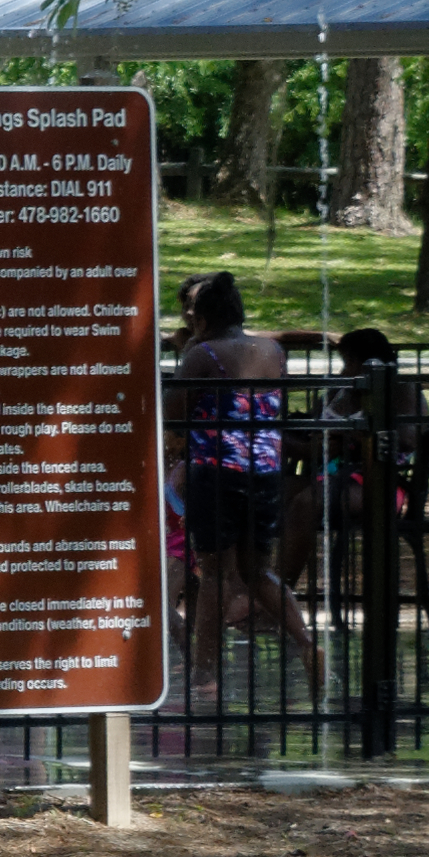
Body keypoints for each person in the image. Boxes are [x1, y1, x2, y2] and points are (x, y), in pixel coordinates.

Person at [171, 272, 320, 684]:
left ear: (201, 318)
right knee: (258, 570)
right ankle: (307, 643)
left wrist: (191, 352)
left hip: (217, 473)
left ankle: (204, 673)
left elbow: (171, 411)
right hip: (266, 472)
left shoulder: (203, 355)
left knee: (215, 572)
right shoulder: (272, 351)